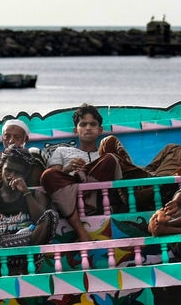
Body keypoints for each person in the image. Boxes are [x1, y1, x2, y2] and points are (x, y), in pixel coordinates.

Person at [0, 146, 60, 277]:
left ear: (25, 175)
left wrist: (26, 193)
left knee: (50, 215)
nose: (11, 176)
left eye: (17, 173)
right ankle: (2, 246)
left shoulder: (35, 196)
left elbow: (42, 222)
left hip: (28, 262)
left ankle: (4, 244)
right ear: (1, 169)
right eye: (8, 170)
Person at [99, 111, 181, 210]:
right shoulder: (172, 147)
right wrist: (130, 168)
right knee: (108, 142)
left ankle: (134, 195)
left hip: (166, 191)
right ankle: (129, 192)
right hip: (148, 180)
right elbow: (150, 168)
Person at [39, 103, 122, 242]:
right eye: (83, 124)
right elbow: (54, 179)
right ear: (76, 130)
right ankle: (80, 229)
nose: (88, 128)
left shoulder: (103, 156)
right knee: (48, 174)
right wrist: (68, 169)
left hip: (98, 200)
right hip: (70, 200)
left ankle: (86, 187)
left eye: (92, 124)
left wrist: (86, 172)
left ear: (100, 129)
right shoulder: (61, 151)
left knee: (110, 158)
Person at [0, 118, 44, 189]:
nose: (11, 141)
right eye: (7, 137)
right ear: (3, 139)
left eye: (17, 137)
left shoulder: (34, 154)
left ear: (26, 139)